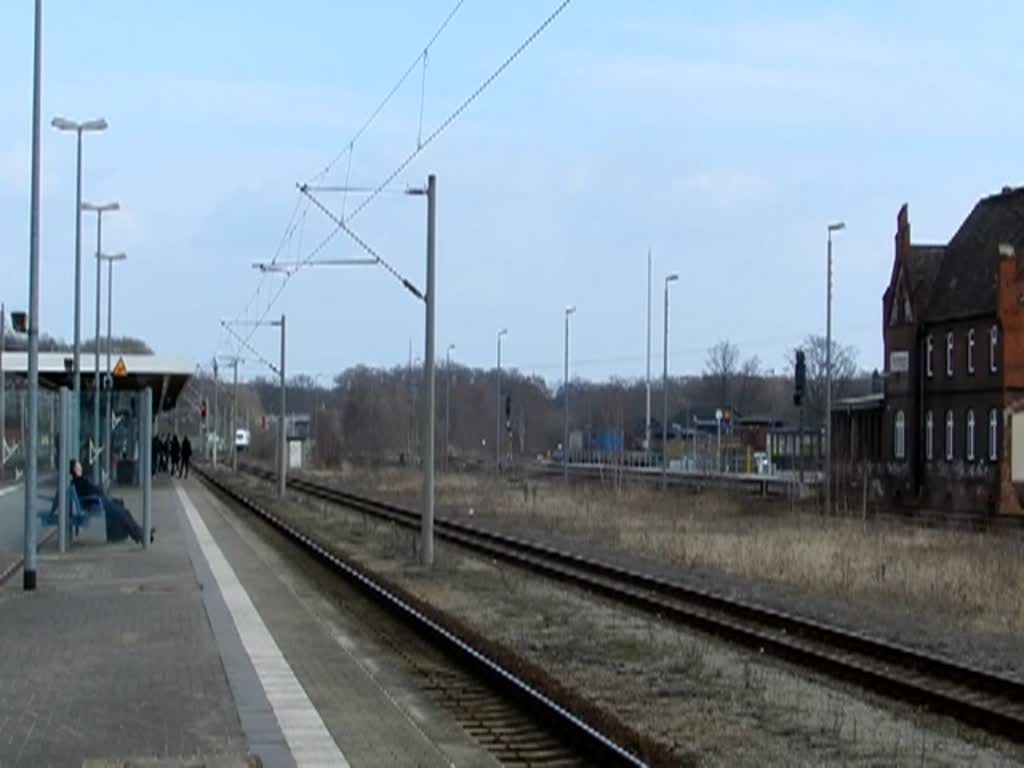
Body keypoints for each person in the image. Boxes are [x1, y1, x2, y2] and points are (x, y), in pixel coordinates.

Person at [70, 459, 154, 544]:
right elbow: (90, 493)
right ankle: (141, 535)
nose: (80, 466)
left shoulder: (80, 480)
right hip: (96, 503)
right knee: (121, 513)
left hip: (99, 501)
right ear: (75, 469)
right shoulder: (78, 482)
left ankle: (140, 532)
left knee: (124, 510)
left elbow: (93, 490)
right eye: (78, 465)